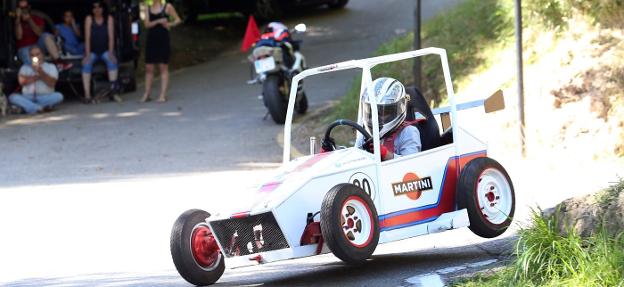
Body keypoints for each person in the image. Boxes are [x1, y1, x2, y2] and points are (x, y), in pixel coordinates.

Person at [356, 77, 421, 161]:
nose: (376, 117)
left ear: (395, 111)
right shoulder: (364, 136)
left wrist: (384, 153)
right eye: (372, 111)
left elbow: (412, 165)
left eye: (384, 112)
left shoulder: (409, 132)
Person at [140, 0, 181, 103]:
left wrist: (170, 24)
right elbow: (147, 25)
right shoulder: (147, 8)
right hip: (151, 40)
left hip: (163, 39)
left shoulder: (167, 6)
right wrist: (158, 21)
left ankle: (163, 95)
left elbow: (178, 20)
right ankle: (146, 94)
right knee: (149, 68)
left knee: (163, 66)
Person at [14, 0, 72, 70]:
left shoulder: (37, 18)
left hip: (38, 45)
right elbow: (19, 36)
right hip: (24, 48)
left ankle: (58, 61)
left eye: (25, 7)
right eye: (21, 8)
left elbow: (39, 33)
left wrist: (29, 20)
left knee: (46, 35)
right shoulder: (15, 19)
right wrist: (18, 19)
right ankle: (37, 72)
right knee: (32, 64)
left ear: (29, 7)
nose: (23, 10)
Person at [82, 1, 121, 103]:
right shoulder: (89, 19)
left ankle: (113, 91)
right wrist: (87, 54)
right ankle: (87, 95)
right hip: (93, 51)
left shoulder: (109, 19)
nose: (97, 9)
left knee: (112, 61)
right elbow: (87, 38)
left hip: (105, 50)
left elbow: (111, 37)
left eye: (99, 7)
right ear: (92, 10)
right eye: (95, 7)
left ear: (103, 9)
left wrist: (111, 52)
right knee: (86, 64)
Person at [9, 46, 63, 114]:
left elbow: (52, 83)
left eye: (38, 54)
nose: (35, 57)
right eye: (32, 55)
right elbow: (21, 82)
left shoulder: (51, 67)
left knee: (59, 96)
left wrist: (41, 73)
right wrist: (35, 77)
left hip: (45, 96)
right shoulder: (25, 67)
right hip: (28, 97)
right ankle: (39, 108)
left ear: (42, 55)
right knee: (12, 97)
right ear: (29, 56)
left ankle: (30, 107)